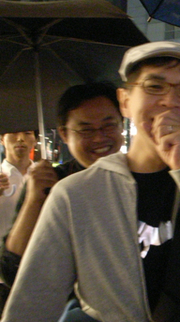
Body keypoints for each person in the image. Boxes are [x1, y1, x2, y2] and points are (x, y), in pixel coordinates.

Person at [0, 41, 180, 322]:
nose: (170, 101)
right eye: (154, 86)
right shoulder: (76, 193)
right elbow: (30, 311)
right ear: (125, 102)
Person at [0, 82, 125, 290]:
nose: (99, 137)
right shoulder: (51, 183)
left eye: (109, 125)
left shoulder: (138, 178)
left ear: (122, 125)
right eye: (86, 130)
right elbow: (12, 271)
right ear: (65, 134)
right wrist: (34, 201)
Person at [0, 131, 36, 311]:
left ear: (34, 139)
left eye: (27, 133)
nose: (20, 139)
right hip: (3, 270)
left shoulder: (45, 175)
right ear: (2, 139)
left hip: (40, 266)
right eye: (13, 133)